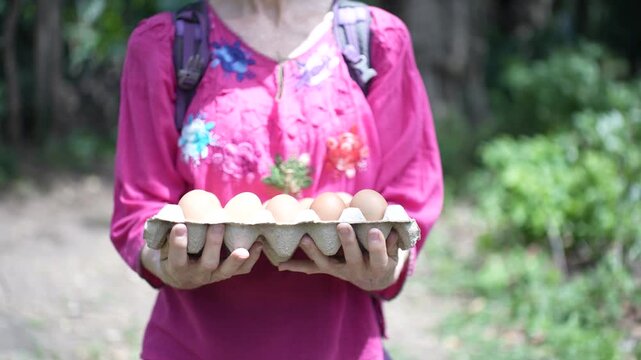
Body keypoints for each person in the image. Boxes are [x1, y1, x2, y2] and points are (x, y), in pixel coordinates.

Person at [110, 0, 443, 358]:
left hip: (340, 345)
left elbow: (408, 204)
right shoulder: (166, 45)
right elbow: (139, 208)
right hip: (195, 345)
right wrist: (167, 264)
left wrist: (384, 269)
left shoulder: (375, 41)